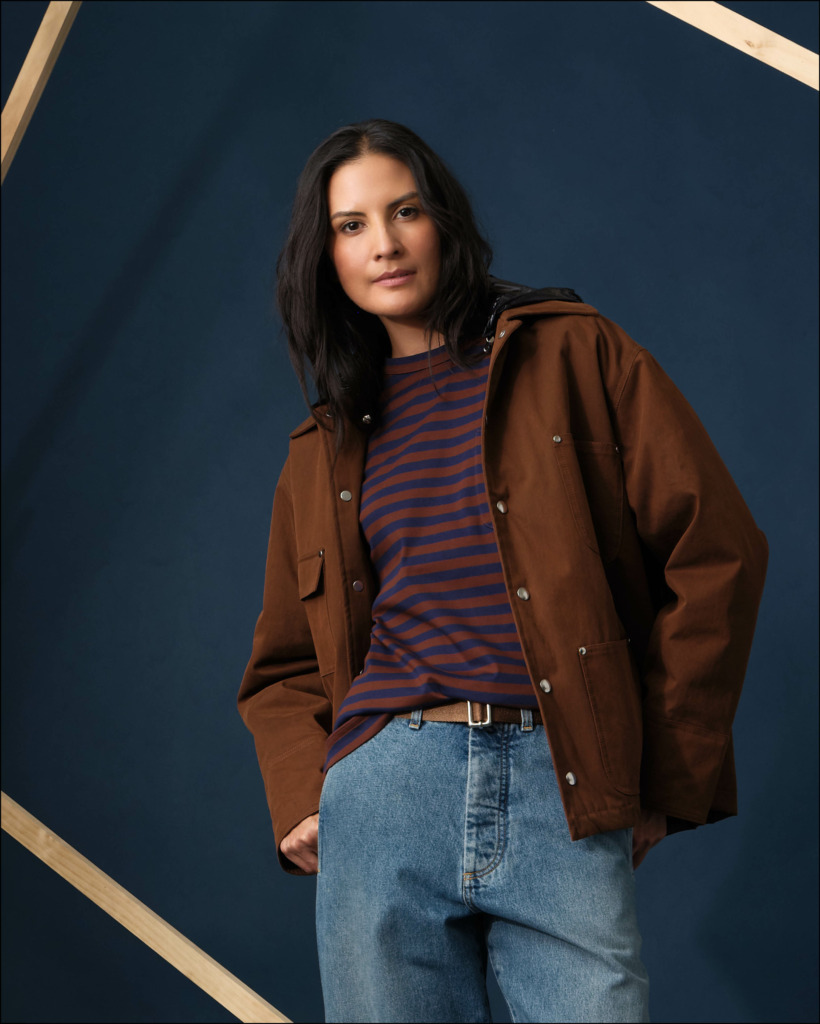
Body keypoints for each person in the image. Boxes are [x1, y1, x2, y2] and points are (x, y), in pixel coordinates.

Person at [237, 118, 768, 1024]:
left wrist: (665, 777)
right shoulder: (319, 451)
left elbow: (718, 553)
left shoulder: (573, 352)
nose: (384, 243)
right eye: (351, 225)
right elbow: (282, 666)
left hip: (565, 781)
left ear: (443, 220)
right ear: (325, 258)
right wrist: (302, 797)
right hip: (385, 794)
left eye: (405, 211)